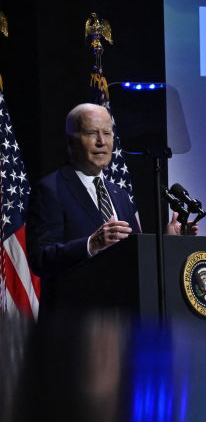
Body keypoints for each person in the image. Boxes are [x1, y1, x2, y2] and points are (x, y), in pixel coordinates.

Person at [26, 103, 187, 300]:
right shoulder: (51, 190)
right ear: (71, 143)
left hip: (125, 312)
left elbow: (134, 255)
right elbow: (40, 258)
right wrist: (90, 244)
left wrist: (167, 241)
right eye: (92, 133)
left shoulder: (119, 193)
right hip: (75, 317)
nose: (101, 141)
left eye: (107, 133)